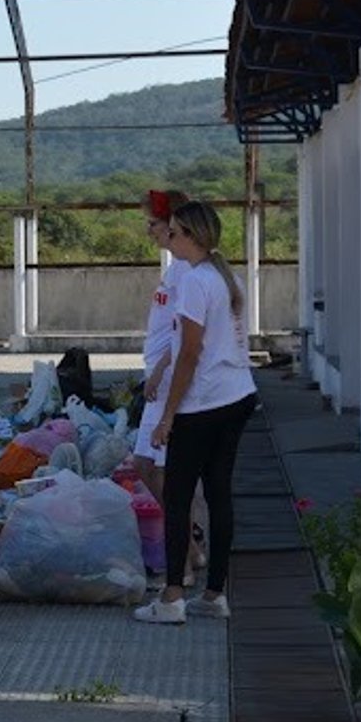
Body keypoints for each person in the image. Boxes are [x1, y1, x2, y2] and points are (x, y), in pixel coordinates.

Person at [134, 200, 260, 626]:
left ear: (190, 236)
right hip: (237, 395)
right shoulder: (227, 277)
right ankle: (214, 594)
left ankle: (171, 597)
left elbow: (190, 352)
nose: (167, 239)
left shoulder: (194, 281)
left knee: (178, 498)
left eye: (172, 232)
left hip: (203, 403)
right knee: (219, 494)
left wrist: (169, 416)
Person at [129, 189, 205, 577]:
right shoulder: (176, 268)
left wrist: (161, 370)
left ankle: (186, 557)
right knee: (151, 467)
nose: (151, 232)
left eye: (155, 224)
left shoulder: (190, 272)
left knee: (160, 470)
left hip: (169, 384)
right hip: (160, 380)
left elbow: (188, 333)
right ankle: (189, 547)